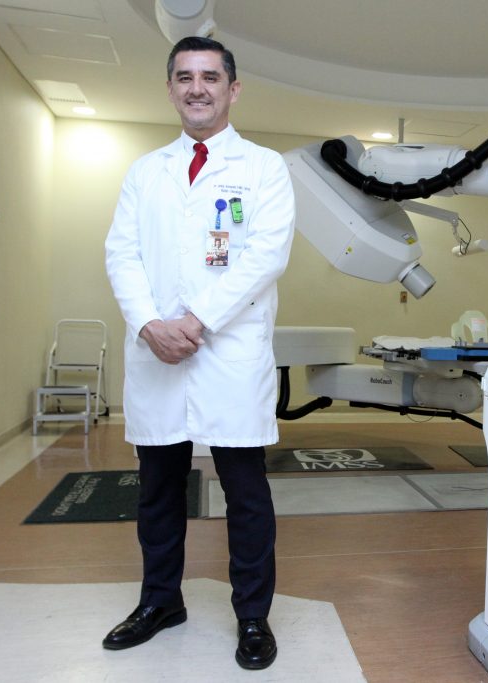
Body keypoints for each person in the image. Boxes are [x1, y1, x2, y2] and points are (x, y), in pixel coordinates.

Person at [103, 35, 295, 671]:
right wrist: (149, 325)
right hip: (157, 350)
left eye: (210, 76)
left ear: (232, 89)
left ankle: (253, 617)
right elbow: (121, 254)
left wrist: (195, 320)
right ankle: (161, 602)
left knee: (246, 493)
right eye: (184, 77)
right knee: (158, 490)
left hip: (228, 351)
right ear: (170, 89)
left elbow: (265, 256)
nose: (197, 88)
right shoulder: (145, 171)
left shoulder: (264, 167)